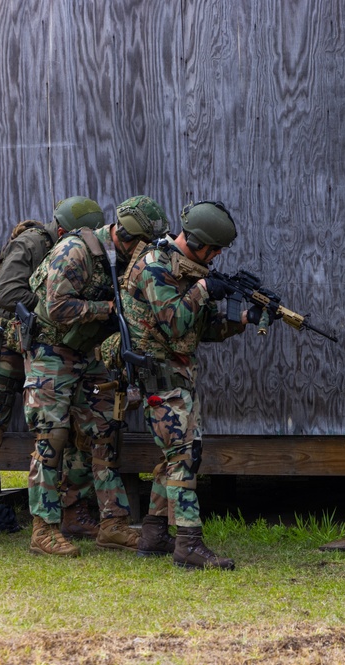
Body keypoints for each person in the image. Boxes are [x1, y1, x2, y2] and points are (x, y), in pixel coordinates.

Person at [0, 197, 106, 548]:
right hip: (8, 345)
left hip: (50, 349)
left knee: (72, 431)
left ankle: (72, 511)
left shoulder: (81, 251)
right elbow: (7, 293)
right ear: (63, 230)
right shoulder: (33, 242)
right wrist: (52, 307)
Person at [119, 201, 264, 569]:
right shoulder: (155, 266)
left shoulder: (177, 266)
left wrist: (244, 319)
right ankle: (188, 544)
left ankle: (153, 534)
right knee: (184, 457)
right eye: (212, 250)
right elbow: (175, 324)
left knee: (174, 458)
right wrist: (202, 287)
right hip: (159, 378)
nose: (215, 257)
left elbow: (202, 328)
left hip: (177, 378)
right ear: (196, 241)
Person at [23, 195, 167, 557]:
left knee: (105, 429)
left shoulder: (122, 259)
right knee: (51, 437)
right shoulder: (76, 250)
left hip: (84, 354)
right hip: (51, 353)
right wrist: (107, 308)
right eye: (142, 245)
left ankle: (112, 524)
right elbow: (56, 307)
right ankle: (43, 529)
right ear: (129, 237)